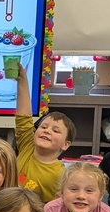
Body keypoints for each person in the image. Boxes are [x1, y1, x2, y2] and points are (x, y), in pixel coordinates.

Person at [15, 63, 74, 202]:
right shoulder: (27, 146)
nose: (47, 131)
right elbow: (23, 118)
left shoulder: (61, 175)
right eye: (44, 127)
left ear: (65, 145)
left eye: (55, 130)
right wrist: (22, 80)